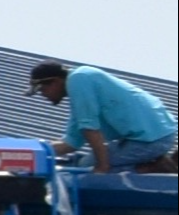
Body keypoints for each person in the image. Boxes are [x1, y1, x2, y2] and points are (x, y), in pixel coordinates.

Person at [26, 60, 176, 181]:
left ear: (55, 81)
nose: (43, 95)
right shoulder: (80, 84)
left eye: (43, 90)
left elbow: (90, 129)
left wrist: (102, 167)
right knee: (82, 163)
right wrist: (31, 152)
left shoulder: (79, 79)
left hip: (151, 139)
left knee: (87, 168)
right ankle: (147, 163)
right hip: (154, 134)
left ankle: (155, 168)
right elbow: (71, 142)